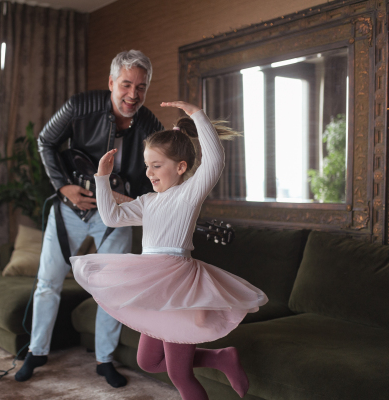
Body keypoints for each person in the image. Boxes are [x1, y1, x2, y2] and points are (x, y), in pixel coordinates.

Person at [71, 101, 268, 399]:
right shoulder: (147, 201)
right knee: (148, 362)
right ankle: (220, 358)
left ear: (181, 167)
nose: (149, 172)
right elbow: (112, 217)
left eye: (156, 166)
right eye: (147, 165)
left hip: (178, 286)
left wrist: (198, 115)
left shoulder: (189, 194)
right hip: (154, 285)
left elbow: (214, 160)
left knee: (179, 374)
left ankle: (222, 359)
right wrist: (101, 178)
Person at [14, 50, 164, 388]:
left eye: (141, 87)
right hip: (69, 208)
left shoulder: (151, 126)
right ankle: (36, 352)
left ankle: (104, 360)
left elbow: (155, 174)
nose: (132, 95)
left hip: (115, 215)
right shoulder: (79, 107)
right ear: (111, 83)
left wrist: (137, 202)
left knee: (112, 289)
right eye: (126, 84)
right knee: (48, 283)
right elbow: (46, 142)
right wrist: (62, 186)